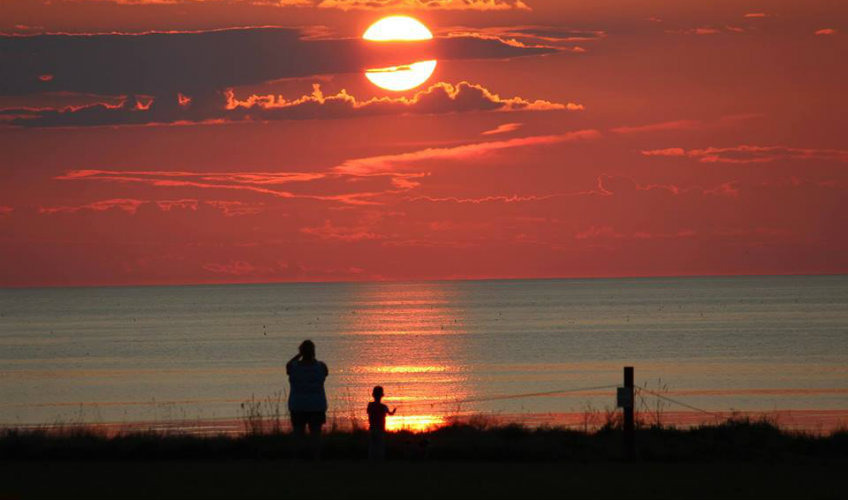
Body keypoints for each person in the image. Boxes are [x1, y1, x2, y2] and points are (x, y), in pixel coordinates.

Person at [286, 340, 329, 451]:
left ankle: (298, 460)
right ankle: (316, 460)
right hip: (316, 406)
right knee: (316, 435)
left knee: (298, 435)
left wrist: (300, 354)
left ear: (301, 352)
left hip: (298, 405)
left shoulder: (294, 368)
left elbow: (288, 365)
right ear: (314, 352)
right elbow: (325, 372)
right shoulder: (321, 367)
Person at [367, 385, 396, 461]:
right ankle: (379, 461)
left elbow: (368, 413)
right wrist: (394, 411)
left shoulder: (370, 405)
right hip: (380, 429)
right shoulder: (383, 406)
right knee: (380, 446)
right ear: (381, 396)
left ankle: (372, 461)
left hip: (372, 428)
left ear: (373, 395)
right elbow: (390, 414)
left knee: (372, 446)